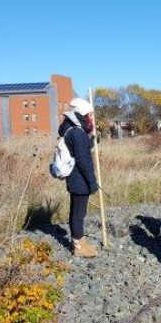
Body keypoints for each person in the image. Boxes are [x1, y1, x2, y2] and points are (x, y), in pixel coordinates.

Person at [58, 97, 99, 258]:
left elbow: (81, 148)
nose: (91, 117)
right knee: (78, 212)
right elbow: (83, 160)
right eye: (90, 114)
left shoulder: (73, 129)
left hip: (75, 177)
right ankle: (78, 246)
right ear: (83, 114)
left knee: (77, 210)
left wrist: (92, 141)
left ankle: (80, 241)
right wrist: (92, 181)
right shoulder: (76, 132)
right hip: (79, 178)